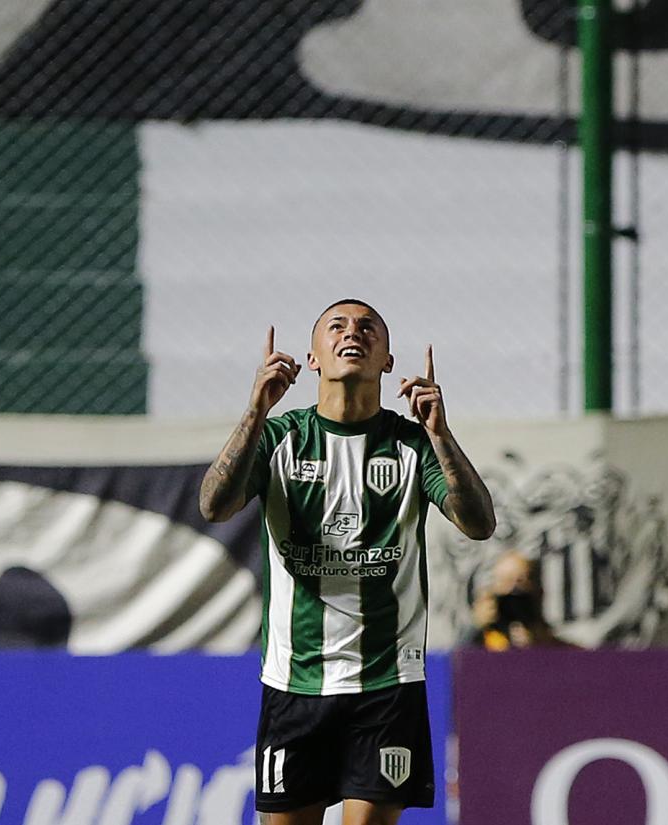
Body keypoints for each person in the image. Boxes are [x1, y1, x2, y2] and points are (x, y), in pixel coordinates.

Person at [198, 299, 496, 825]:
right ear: (312, 358)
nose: (352, 333)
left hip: (387, 682)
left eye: (367, 327)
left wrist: (440, 434)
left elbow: (479, 523)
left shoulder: (411, 444)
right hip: (295, 681)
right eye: (336, 326)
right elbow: (214, 507)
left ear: (388, 361)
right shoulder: (280, 437)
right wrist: (255, 411)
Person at [471, 551, 576, 650]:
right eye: (506, 582)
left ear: (539, 592)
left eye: (521, 581)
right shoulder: (481, 643)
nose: (513, 590)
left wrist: (539, 644)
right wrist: (477, 627)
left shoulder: (561, 649)